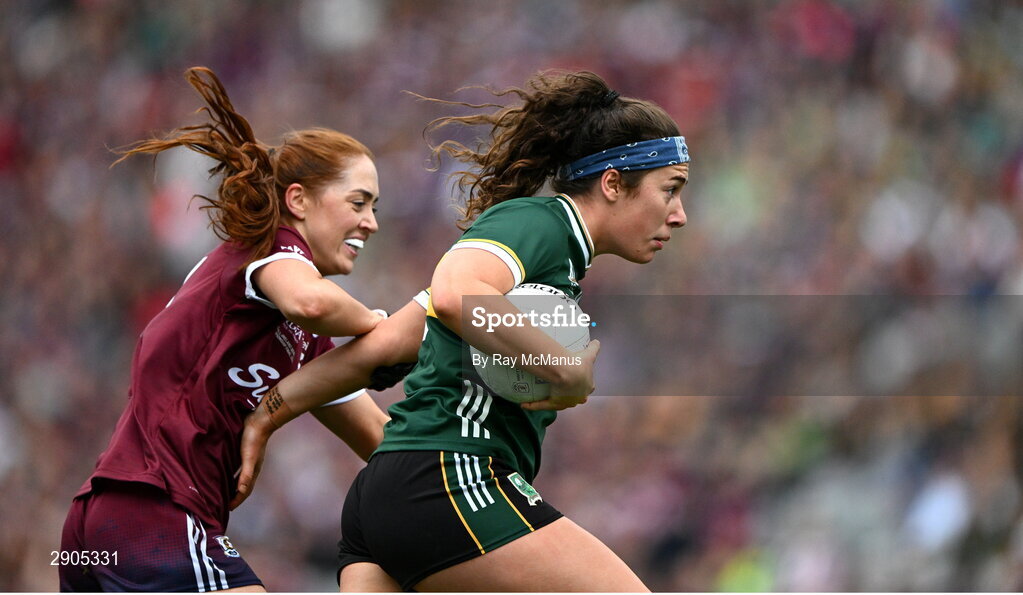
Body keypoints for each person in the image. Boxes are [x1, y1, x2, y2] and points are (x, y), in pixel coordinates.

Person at [236, 69, 690, 592]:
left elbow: (381, 349)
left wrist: (268, 413)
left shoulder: (541, 262)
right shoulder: (540, 224)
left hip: (388, 492)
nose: (678, 215)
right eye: (670, 190)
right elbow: (453, 295)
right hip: (453, 479)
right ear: (613, 183)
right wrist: (564, 369)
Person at [58, 66, 408, 592]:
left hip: (106, 525)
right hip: (157, 512)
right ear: (299, 201)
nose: (371, 223)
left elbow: (381, 442)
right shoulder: (269, 254)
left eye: (374, 208)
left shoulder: (300, 337)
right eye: (358, 203)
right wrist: (387, 326)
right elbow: (312, 300)